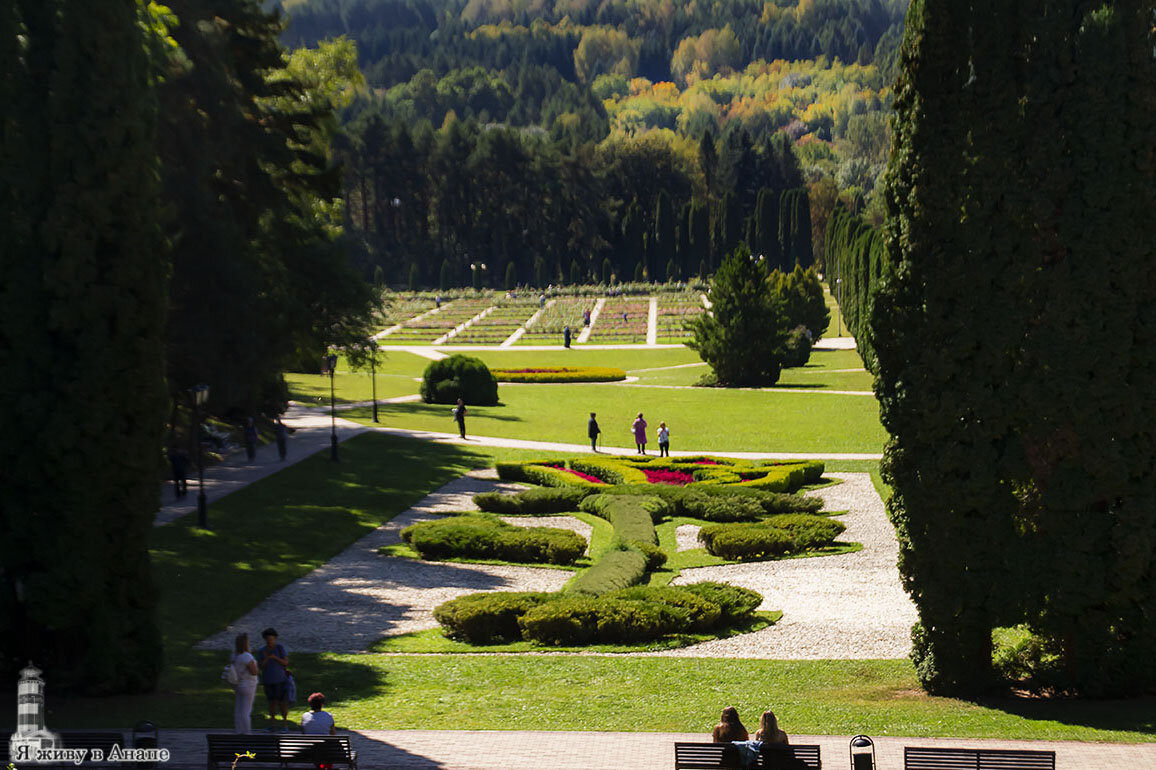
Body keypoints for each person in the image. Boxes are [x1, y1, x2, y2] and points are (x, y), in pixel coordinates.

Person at [256, 627, 290, 732]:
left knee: (282, 703)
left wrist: (275, 658)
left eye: (271, 639)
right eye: (267, 639)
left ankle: (284, 724)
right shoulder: (262, 651)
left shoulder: (280, 648)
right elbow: (260, 666)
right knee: (271, 703)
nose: (270, 642)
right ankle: (272, 724)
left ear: (275, 638)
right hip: (268, 680)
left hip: (280, 680)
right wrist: (267, 658)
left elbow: (286, 662)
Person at [231, 633, 259, 734]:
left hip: (238, 684)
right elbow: (254, 671)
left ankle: (239, 730)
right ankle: (247, 731)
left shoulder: (234, 656)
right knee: (246, 710)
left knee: (238, 708)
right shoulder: (247, 656)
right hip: (248, 684)